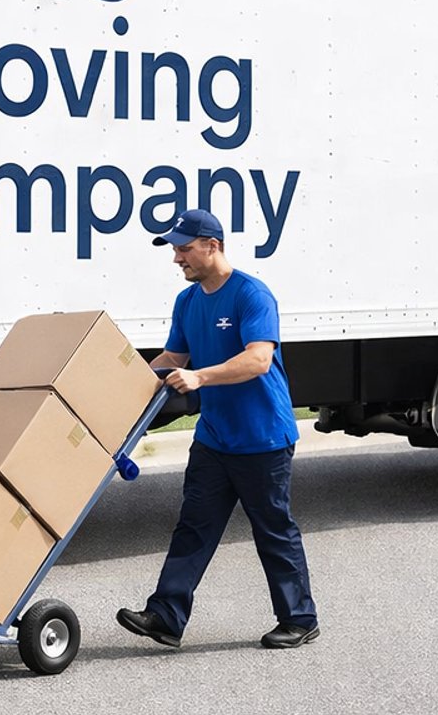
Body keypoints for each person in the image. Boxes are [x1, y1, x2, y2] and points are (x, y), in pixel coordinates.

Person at [116, 208, 319, 650]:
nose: (177, 259)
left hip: (262, 438)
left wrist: (201, 378)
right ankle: (166, 616)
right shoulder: (188, 302)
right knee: (194, 526)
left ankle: (300, 618)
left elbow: (258, 359)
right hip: (214, 437)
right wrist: (120, 382)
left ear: (214, 246)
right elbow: (173, 359)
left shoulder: (251, 295)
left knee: (272, 529)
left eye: (184, 249)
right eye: (175, 250)